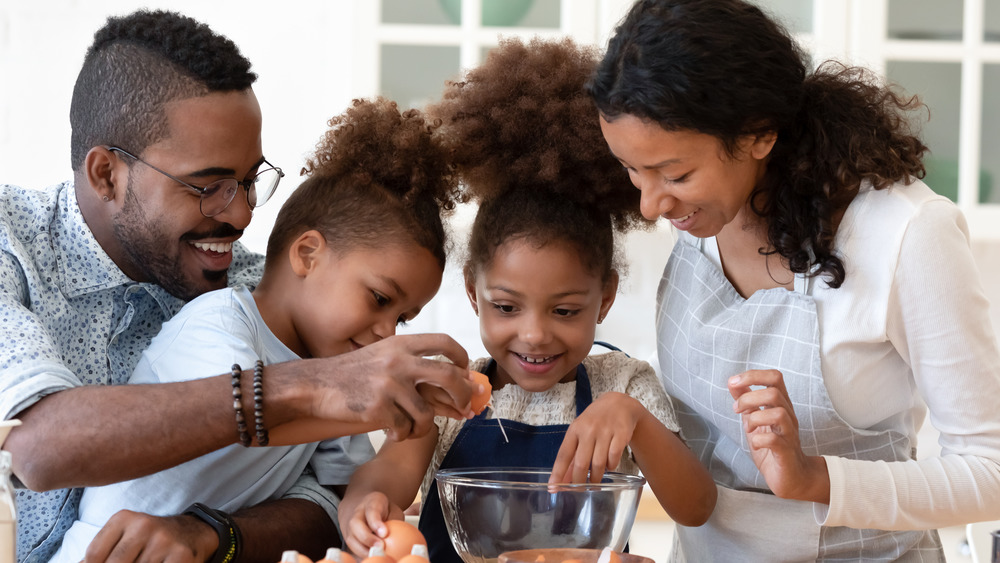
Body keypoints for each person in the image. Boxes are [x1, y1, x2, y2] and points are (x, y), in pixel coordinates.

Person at [0, 10, 475, 563]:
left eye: (250, 182)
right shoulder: (12, 244)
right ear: (107, 174)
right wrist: (321, 385)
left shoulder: (258, 285)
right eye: (209, 186)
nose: (244, 215)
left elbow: (330, 499)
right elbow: (34, 448)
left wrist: (214, 535)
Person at [589, 0, 1000, 561]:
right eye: (633, 169)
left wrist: (813, 478)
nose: (651, 204)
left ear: (760, 136)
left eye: (676, 174)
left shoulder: (906, 234)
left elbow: (990, 470)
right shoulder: (701, 214)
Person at [337, 38, 717, 562]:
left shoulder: (623, 388)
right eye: (507, 307)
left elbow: (696, 506)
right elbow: (389, 476)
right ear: (473, 292)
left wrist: (633, 418)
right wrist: (365, 504)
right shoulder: (451, 395)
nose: (535, 333)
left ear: (604, 297)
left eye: (565, 310)